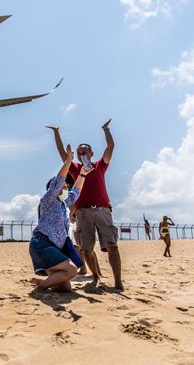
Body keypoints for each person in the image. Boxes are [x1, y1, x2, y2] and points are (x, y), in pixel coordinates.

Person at [46, 119, 123, 290]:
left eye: (85, 152)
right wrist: (56, 132)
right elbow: (61, 153)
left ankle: (118, 282)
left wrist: (106, 129)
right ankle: (96, 277)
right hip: (82, 212)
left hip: (102, 210)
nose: (82, 155)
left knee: (112, 246)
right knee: (86, 249)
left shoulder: (99, 165)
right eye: (80, 152)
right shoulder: (74, 168)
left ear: (91, 153)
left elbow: (110, 147)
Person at [30, 144, 93, 291]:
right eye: (63, 188)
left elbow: (76, 191)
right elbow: (58, 181)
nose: (65, 189)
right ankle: (40, 289)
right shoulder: (48, 200)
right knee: (72, 271)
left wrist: (83, 174)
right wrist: (68, 162)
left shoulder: (64, 203)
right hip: (42, 244)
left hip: (54, 248)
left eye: (65, 188)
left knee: (64, 288)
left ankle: (40, 282)